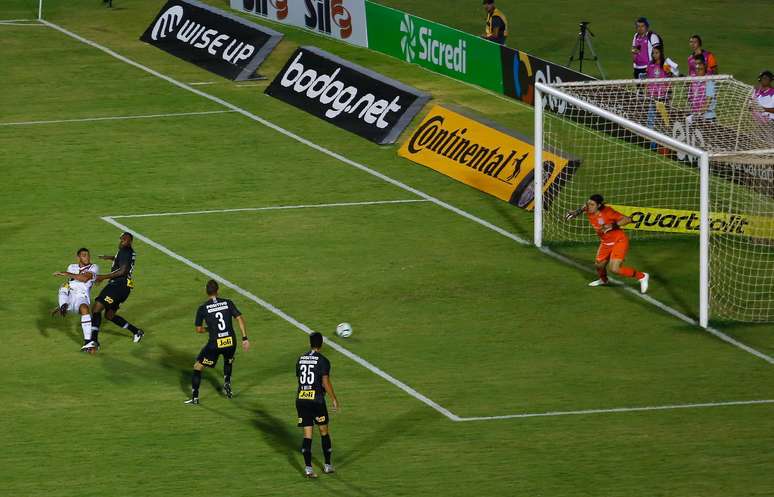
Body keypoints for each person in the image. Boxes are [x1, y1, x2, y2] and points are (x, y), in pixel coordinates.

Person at [565, 194, 649, 293]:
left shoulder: (608, 212)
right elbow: (583, 207)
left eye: (592, 205)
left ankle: (642, 276)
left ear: (599, 205)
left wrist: (612, 225)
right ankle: (604, 280)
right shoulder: (588, 208)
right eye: (588, 204)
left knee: (614, 269)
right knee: (599, 266)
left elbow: (628, 219)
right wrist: (576, 212)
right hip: (606, 242)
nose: (589, 206)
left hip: (619, 240)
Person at [185, 280, 249, 405]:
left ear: (206, 292)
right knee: (228, 360)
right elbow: (239, 318)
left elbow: (198, 329)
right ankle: (227, 383)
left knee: (198, 367)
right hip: (231, 341)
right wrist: (245, 338)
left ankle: (195, 397)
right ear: (218, 290)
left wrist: (209, 329)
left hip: (215, 344)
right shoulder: (228, 303)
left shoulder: (203, 308)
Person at [82, 232, 143, 351]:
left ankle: (93, 341)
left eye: (124, 240)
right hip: (124, 288)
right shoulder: (128, 252)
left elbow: (123, 271)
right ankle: (137, 332)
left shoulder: (125, 251)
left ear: (130, 241)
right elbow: (124, 262)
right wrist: (111, 258)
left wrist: (102, 277)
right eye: (121, 239)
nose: (121, 241)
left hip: (117, 286)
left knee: (97, 308)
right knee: (109, 315)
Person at [296, 332, 339, 478]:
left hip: (301, 399)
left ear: (310, 343)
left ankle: (308, 469)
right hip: (317, 400)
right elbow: (325, 382)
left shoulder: (300, 359)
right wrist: (334, 398)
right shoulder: (323, 361)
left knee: (307, 435)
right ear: (321, 344)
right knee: (323, 432)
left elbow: (301, 380)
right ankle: (327, 465)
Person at [52, 248, 100, 352]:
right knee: (64, 286)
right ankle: (63, 305)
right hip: (70, 297)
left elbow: (84, 278)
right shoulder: (71, 266)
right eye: (84, 255)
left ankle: (87, 343)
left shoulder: (94, 267)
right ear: (78, 257)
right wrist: (62, 303)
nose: (87, 257)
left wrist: (66, 273)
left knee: (84, 309)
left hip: (82, 297)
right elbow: (70, 285)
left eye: (88, 255)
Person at [646, 45, 673, 134]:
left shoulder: (665, 64)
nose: (654, 55)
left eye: (656, 53)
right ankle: (650, 139)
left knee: (664, 118)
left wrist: (669, 93)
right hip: (653, 96)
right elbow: (648, 79)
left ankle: (665, 136)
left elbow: (670, 79)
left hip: (663, 96)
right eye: (653, 53)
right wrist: (647, 91)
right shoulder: (650, 64)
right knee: (651, 117)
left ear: (661, 53)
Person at [689, 55, 717, 121]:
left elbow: (708, 101)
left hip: (708, 118)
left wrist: (697, 116)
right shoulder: (693, 78)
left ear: (705, 65)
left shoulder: (710, 80)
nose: (697, 66)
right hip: (696, 115)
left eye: (699, 64)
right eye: (696, 64)